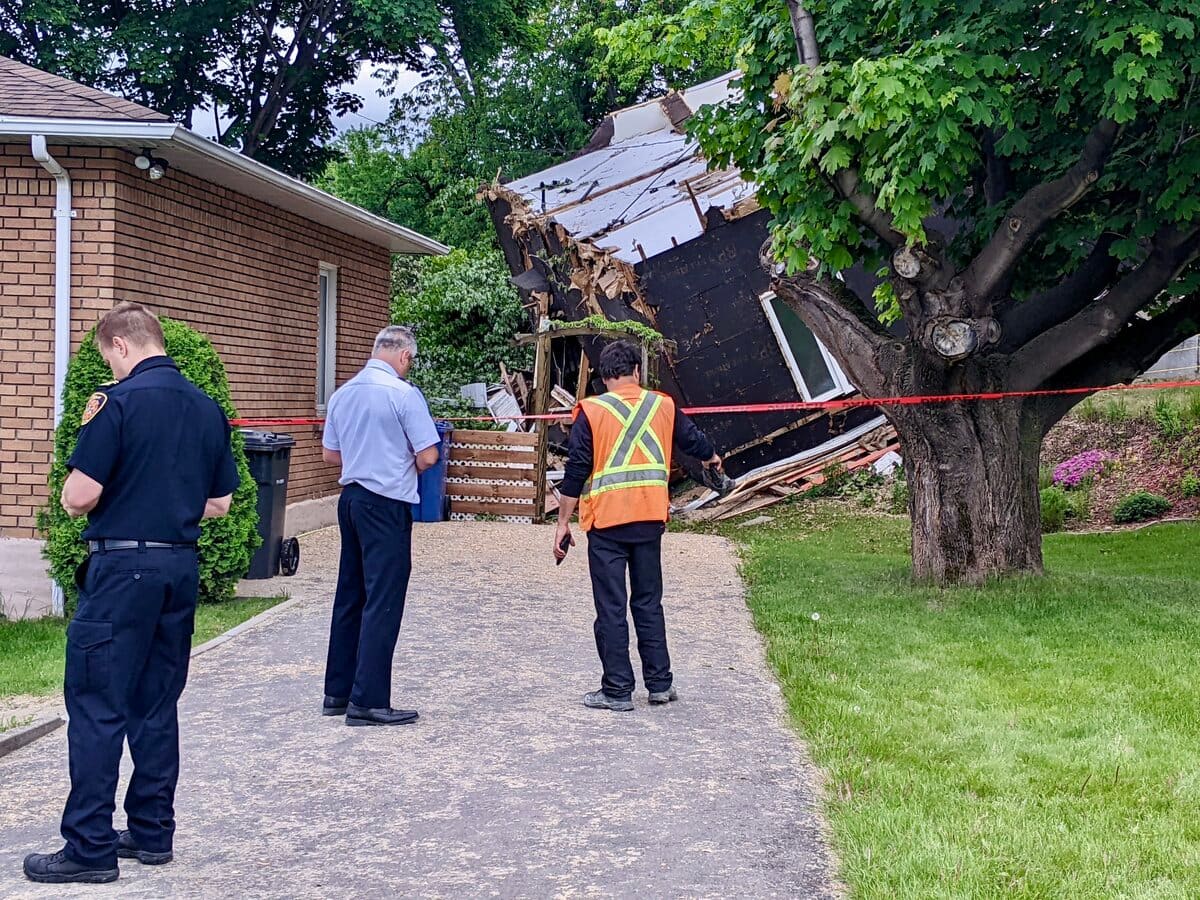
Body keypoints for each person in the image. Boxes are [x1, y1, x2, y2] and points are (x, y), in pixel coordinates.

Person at [24, 302, 239, 885]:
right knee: (156, 703)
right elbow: (219, 503)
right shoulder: (207, 408)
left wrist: (124, 498)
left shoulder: (116, 405)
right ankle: (151, 832)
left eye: (107, 358)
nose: (111, 368)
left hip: (122, 572)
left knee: (96, 706)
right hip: (178, 568)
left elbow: (77, 496)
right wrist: (163, 503)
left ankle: (89, 847)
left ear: (120, 346)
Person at [554, 340, 722, 712]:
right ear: (636, 372)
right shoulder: (661, 404)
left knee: (611, 608)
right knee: (648, 603)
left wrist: (562, 523)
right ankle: (660, 684)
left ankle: (617, 690)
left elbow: (576, 472)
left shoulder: (592, 412)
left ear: (604, 377)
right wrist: (711, 457)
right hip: (649, 519)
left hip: (608, 524)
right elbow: (692, 440)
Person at [320, 325, 441, 726]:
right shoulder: (404, 395)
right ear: (405, 356)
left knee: (350, 594)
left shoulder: (342, 394)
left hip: (351, 498)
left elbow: (329, 455)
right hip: (387, 502)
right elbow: (427, 456)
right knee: (383, 599)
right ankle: (368, 699)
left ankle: (337, 691)